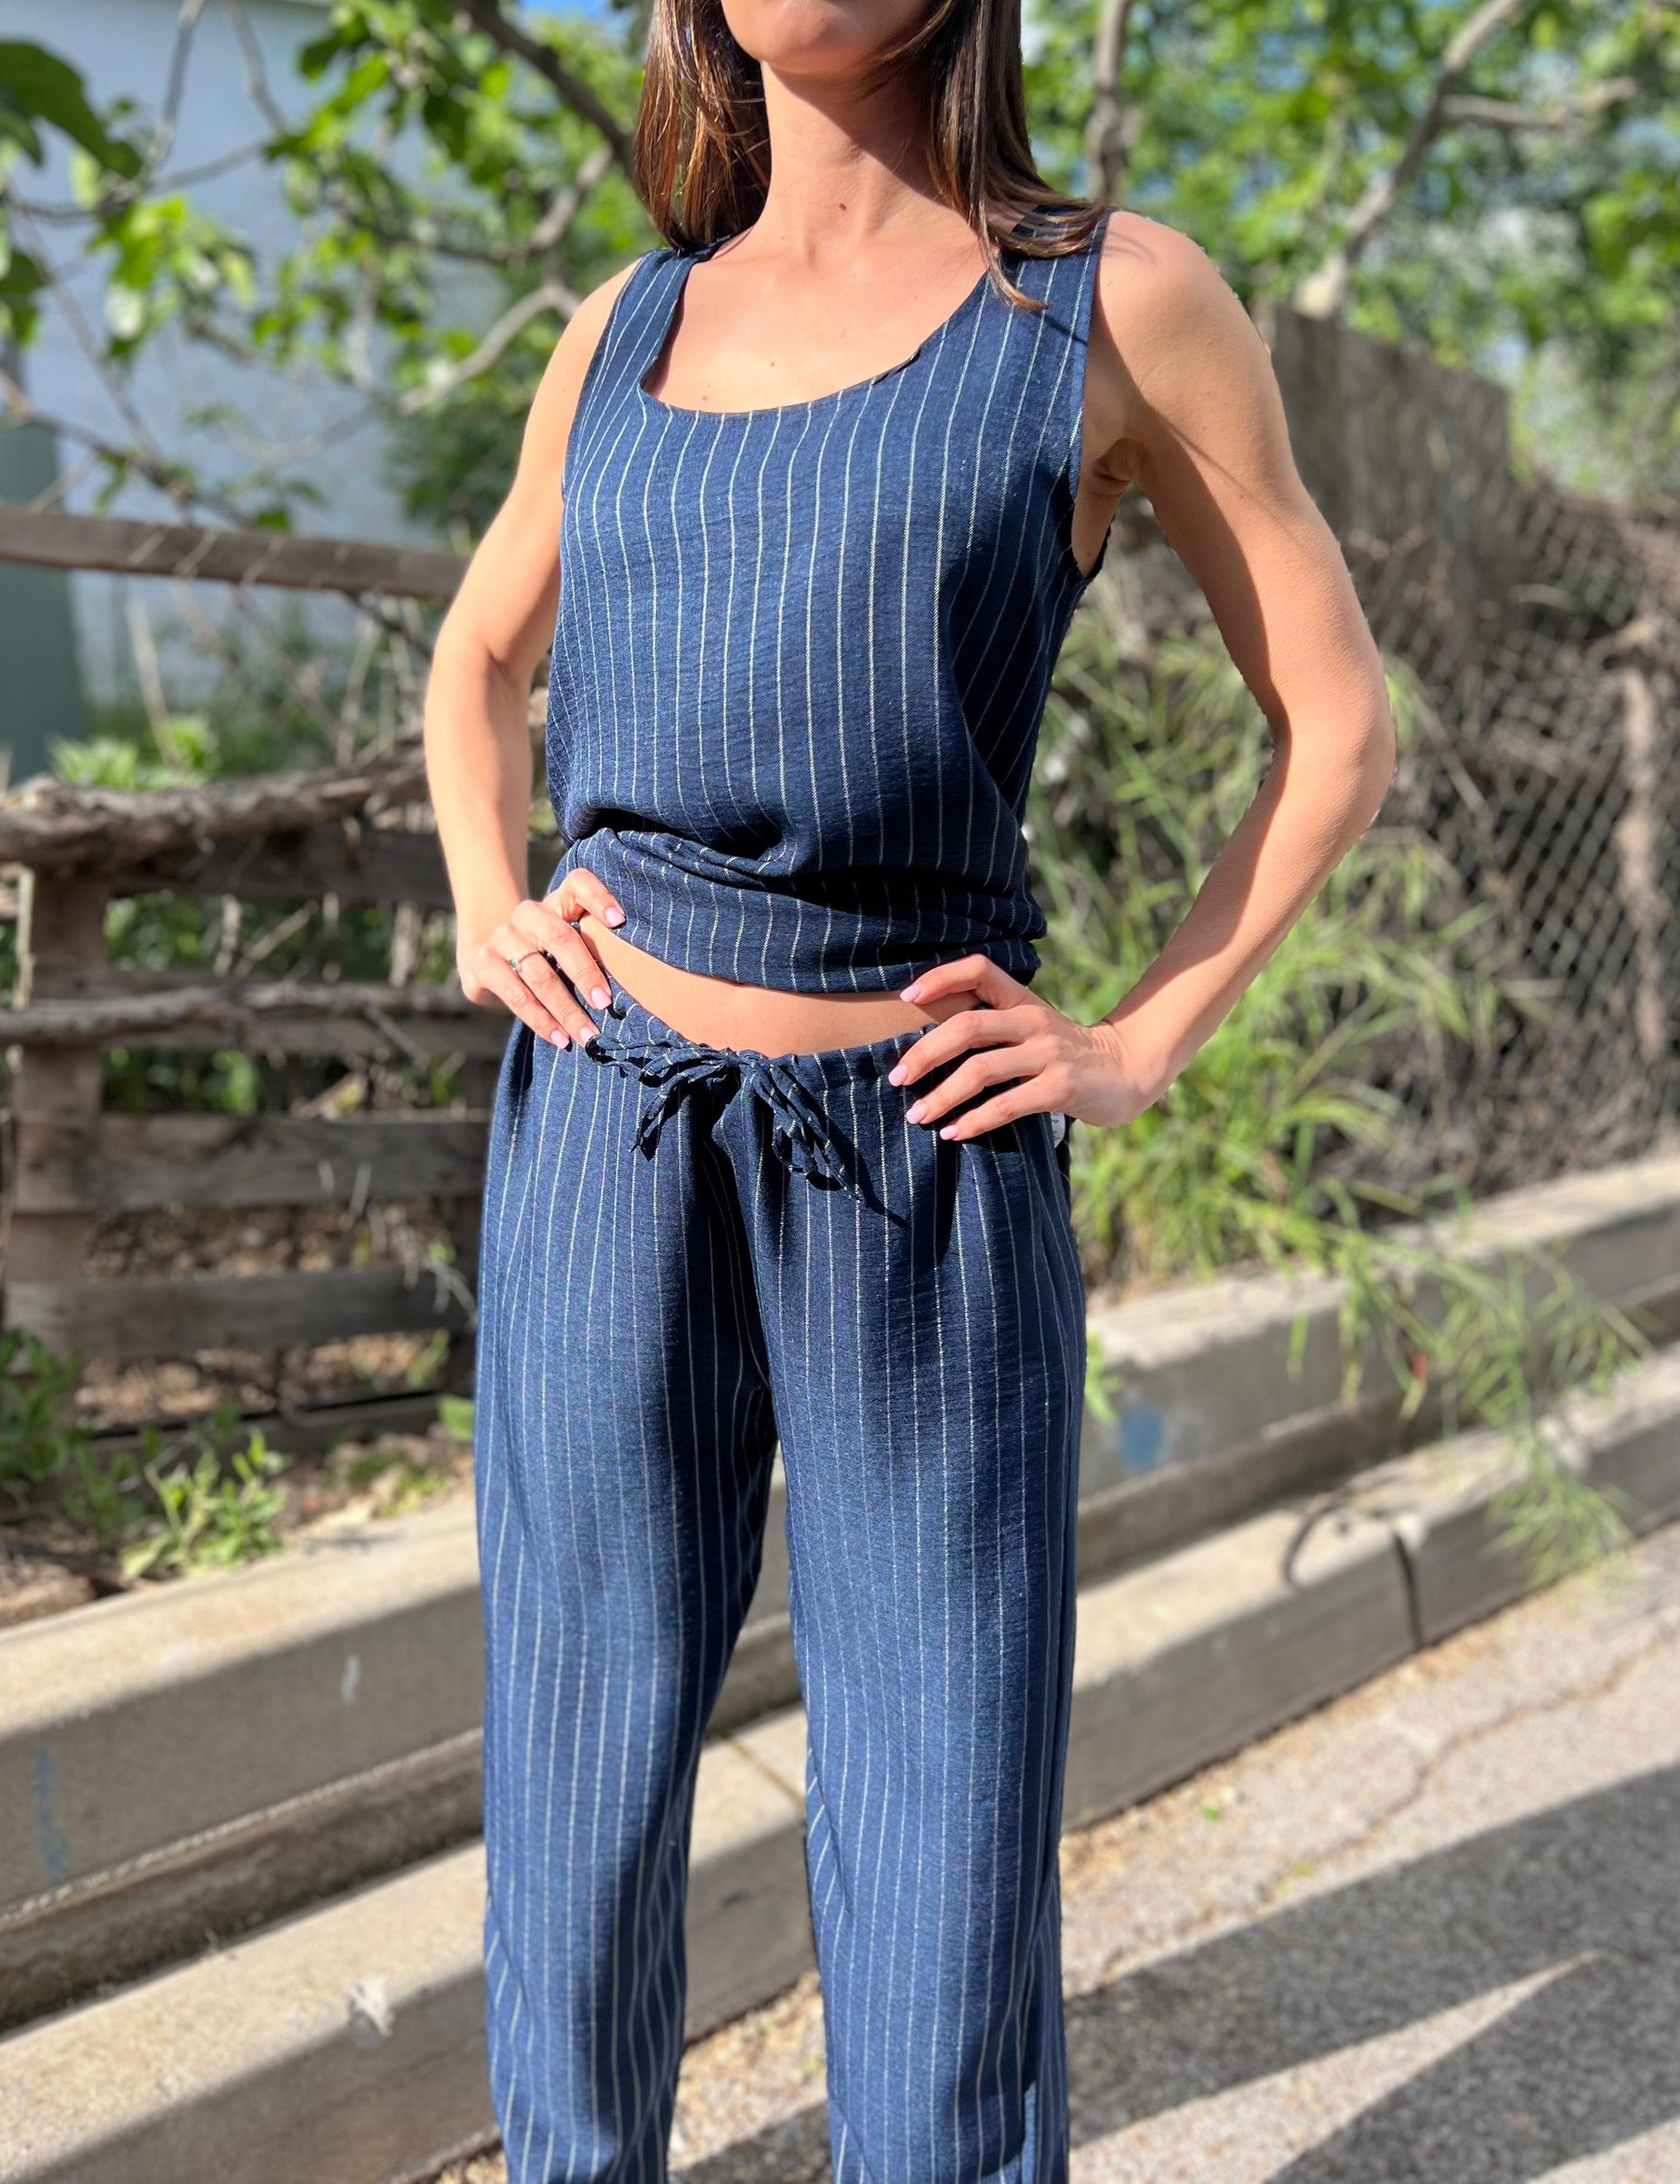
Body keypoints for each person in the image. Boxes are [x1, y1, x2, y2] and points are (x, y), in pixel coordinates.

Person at [422, 0, 1396, 2169]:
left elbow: (1336, 722)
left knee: (944, 1800)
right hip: (607, 1121)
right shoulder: (629, 323)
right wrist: (498, 891)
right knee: (578, 1764)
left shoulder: (1106, 301)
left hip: (925, 1149)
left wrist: (1135, 1039)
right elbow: (479, 656)